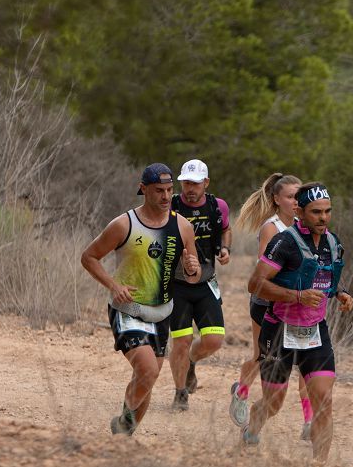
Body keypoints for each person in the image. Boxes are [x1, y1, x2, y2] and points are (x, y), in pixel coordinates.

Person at [80, 163, 201, 435]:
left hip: (161, 313)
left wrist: (192, 269)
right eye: (159, 190)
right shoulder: (124, 224)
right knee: (147, 370)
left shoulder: (182, 227)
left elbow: (191, 273)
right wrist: (113, 285)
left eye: (170, 190)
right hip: (128, 309)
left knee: (149, 377)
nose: (166, 197)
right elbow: (89, 257)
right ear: (143, 189)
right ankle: (124, 421)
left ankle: (125, 432)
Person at [243, 182, 353, 461]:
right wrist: (296, 296)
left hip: (315, 331)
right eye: (316, 212)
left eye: (328, 211)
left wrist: (340, 293)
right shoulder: (285, 243)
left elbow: (324, 279)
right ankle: (252, 427)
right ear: (300, 211)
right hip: (279, 328)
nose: (323, 218)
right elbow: (255, 284)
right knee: (273, 403)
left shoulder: (333, 242)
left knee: (324, 401)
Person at [230, 174, 315, 440]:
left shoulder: (307, 225)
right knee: (261, 356)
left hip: (298, 305)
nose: (294, 201)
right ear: (277, 200)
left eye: (298, 196)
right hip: (267, 303)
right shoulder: (271, 227)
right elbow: (264, 271)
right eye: (290, 196)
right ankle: (241, 392)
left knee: (306, 362)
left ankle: (309, 420)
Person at [166, 159, 233, 411]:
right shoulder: (170, 205)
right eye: (185, 183)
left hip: (206, 281)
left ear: (206, 183)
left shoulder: (218, 206)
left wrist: (225, 248)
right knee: (181, 341)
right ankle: (180, 392)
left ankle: (191, 362)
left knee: (214, 340)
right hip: (177, 284)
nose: (189, 189)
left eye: (195, 183)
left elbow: (226, 229)